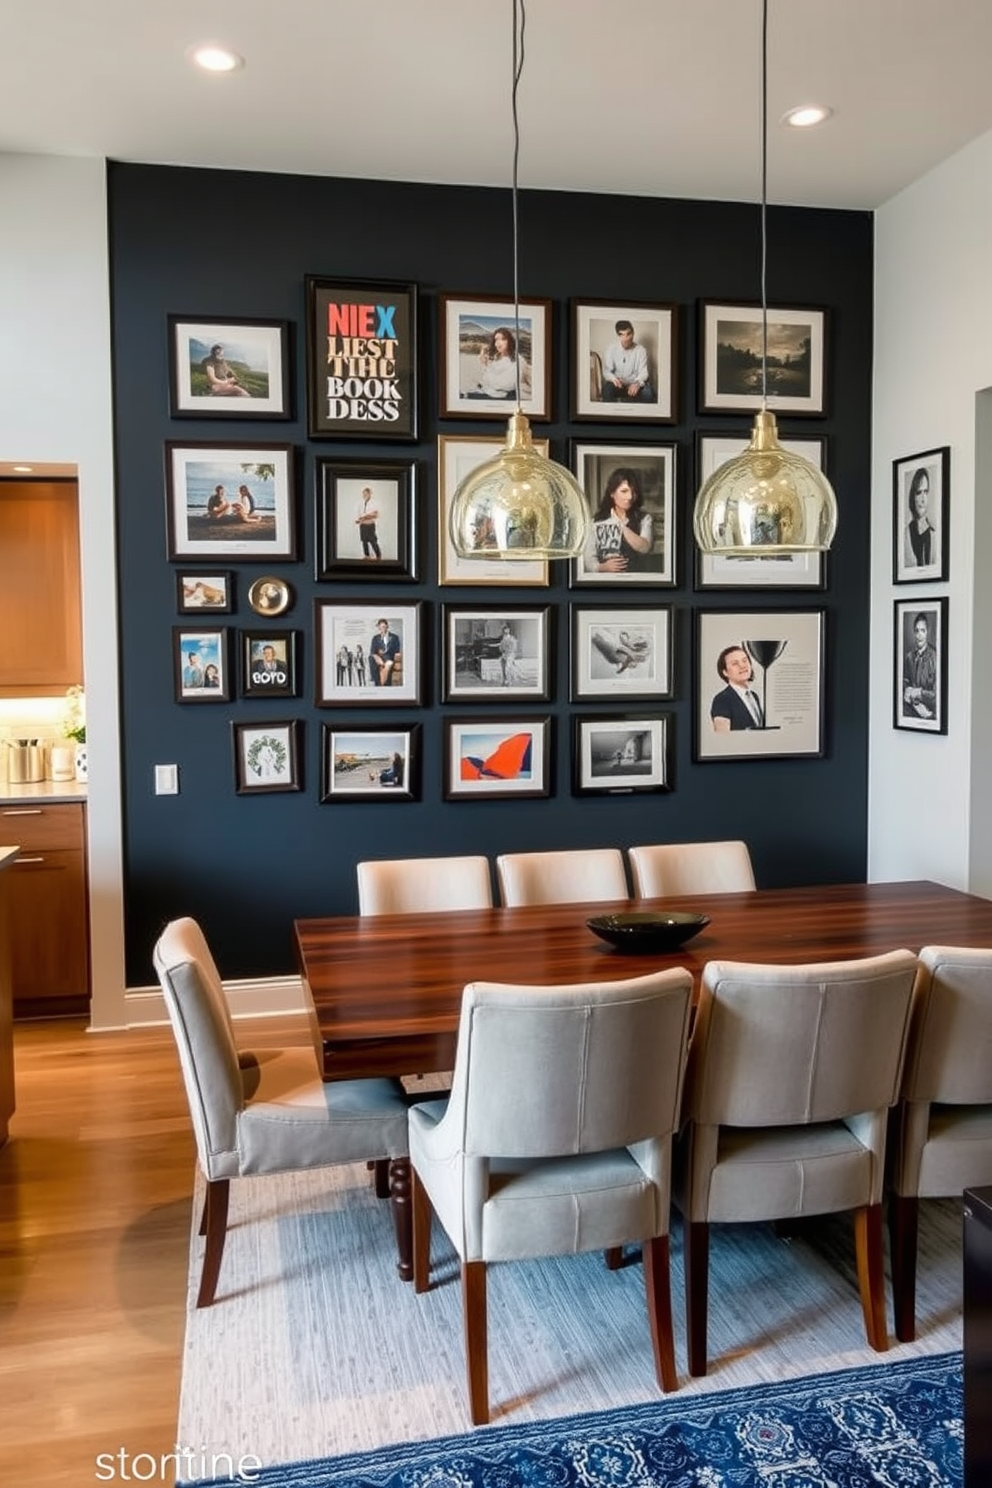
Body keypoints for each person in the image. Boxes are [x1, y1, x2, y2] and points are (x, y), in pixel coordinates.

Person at [582, 467, 654, 575]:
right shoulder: (596, 522)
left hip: (636, 580)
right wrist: (602, 567)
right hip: (606, 583)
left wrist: (620, 524)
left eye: (634, 492)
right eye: (624, 491)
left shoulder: (644, 518)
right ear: (612, 493)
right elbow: (588, 559)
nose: (629, 497)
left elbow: (645, 547)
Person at [710, 645, 764, 731]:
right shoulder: (722, 699)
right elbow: (722, 738)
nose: (742, 666)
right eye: (735, 663)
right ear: (725, 672)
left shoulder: (754, 696)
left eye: (745, 661)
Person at [467, 326, 530, 400]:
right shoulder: (495, 358)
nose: (498, 343)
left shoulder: (517, 359)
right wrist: (484, 364)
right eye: (496, 340)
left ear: (509, 341)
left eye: (503, 339)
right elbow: (485, 379)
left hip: (502, 397)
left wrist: (489, 382)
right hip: (488, 392)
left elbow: (509, 385)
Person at [600, 319, 654, 403]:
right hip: (618, 385)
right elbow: (607, 371)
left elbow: (644, 373)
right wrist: (614, 379)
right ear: (618, 335)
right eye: (622, 335)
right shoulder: (611, 349)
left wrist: (637, 383)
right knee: (607, 390)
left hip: (635, 384)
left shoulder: (641, 350)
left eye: (628, 334)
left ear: (633, 333)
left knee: (648, 392)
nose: (626, 339)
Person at [903, 612, 937, 719]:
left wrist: (919, 693)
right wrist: (906, 689)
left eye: (922, 631)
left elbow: (938, 695)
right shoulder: (909, 657)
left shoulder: (935, 657)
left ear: (927, 632)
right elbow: (904, 681)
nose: (919, 635)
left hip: (929, 713)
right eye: (916, 631)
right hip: (911, 710)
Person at [905, 467, 937, 568]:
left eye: (926, 492)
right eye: (919, 493)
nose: (923, 499)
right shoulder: (905, 534)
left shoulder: (934, 534)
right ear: (913, 497)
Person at [370, 617, 400, 686]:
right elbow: (372, 652)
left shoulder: (394, 637)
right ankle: (376, 679)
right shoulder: (375, 638)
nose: (382, 629)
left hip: (390, 658)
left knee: (388, 664)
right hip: (379, 658)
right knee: (370, 658)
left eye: (384, 627)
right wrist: (378, 658)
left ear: (387, 627)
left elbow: (397, 651)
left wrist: (391, 659)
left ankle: (380, 684)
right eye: (380, 627)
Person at [355, 486, 382, 559]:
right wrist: (359, 520)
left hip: (370, 525)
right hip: (363, 525)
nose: (364, 496)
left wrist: (365, 517)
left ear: (370, 494)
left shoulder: (374, 503)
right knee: (364, 541)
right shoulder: (361, 503)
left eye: (366, 494)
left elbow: (376, 514)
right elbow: (361, 515)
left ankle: (378, 556)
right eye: (363, 494)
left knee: (373, 541)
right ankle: (367, 556)